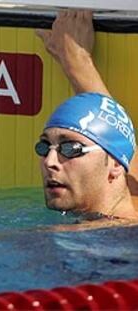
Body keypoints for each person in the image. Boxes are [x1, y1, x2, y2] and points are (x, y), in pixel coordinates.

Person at [34, 10, 138, 221]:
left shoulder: (97, 239)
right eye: (44, 147)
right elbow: (123, 146)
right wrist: (76, 61)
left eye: (71, 149)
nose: (49, 161)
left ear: (116, 165)